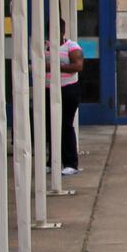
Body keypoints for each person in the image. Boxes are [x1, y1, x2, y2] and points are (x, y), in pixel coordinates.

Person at [52, 21, 84, 176]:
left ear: (62, 31)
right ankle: (52, 161)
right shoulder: (43, 46)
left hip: (68, 89)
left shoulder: (71, 47)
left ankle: (70, 162)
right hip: (47, 89)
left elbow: (77, 66)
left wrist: (54, 66)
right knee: (48, 126)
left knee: (65, 125)